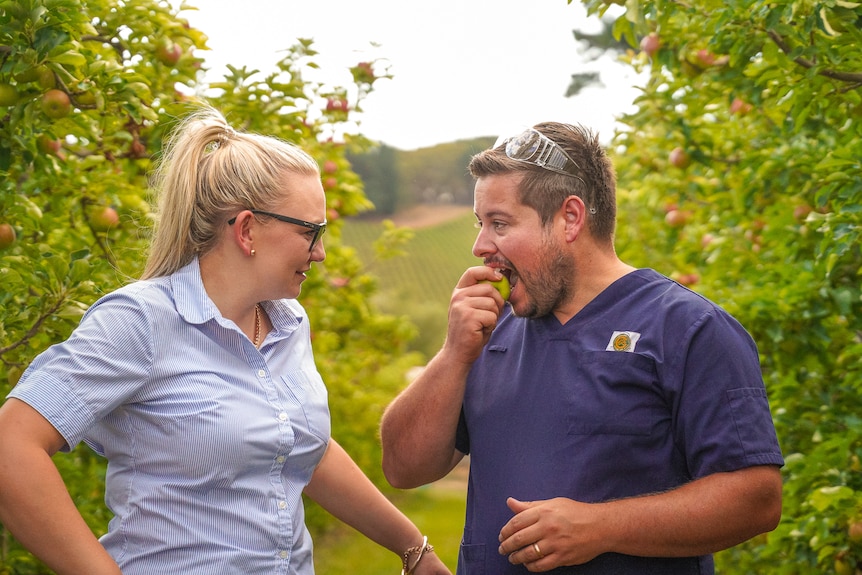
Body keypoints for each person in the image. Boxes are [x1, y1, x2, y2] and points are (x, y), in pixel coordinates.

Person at [0, 106, 450, 575]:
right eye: (309, 232)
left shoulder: (287, 323)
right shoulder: (140, 322)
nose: (320, 252)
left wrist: (412, 550)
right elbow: (12, 447)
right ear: (247, 229)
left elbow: (297, 448)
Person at [379, 122, 784, 574]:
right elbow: (403, 468)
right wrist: (453, 353)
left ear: (570, 218)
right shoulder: (489, 334)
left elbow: (756, 499)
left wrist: (599, 527)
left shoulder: (691, 329)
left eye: (499, 223)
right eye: (480, 224)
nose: (480, 246)